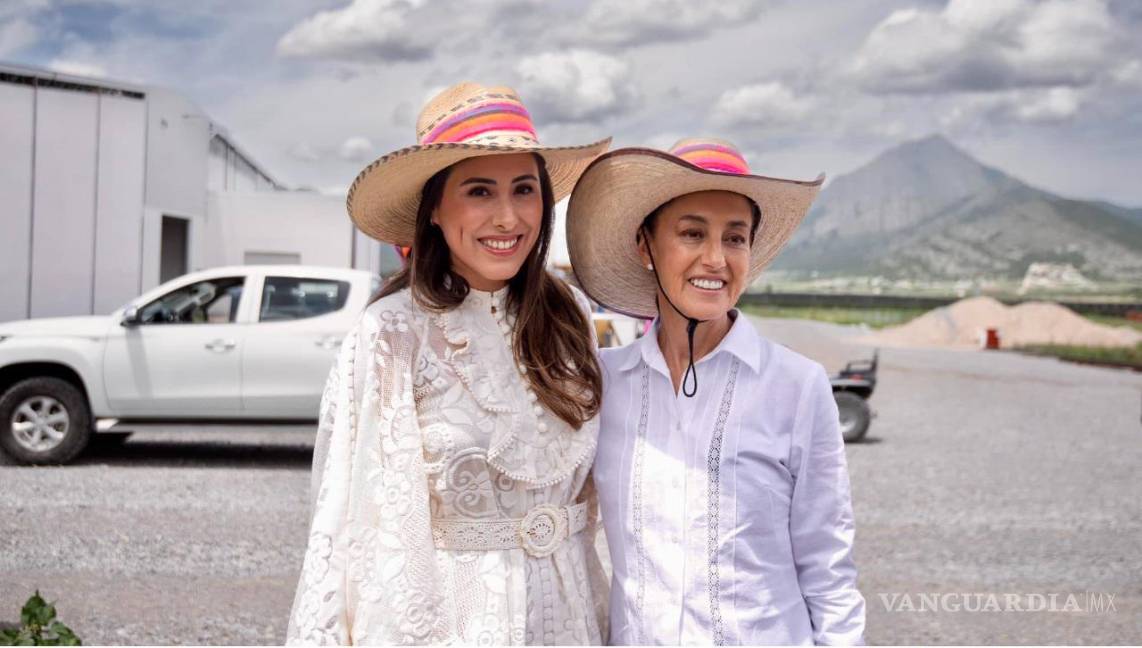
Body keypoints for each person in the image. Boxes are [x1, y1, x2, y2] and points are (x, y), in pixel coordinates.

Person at [285, 82, 612, 645]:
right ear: (434, 208)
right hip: (456, 622)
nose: (507, 217)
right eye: (479, 191)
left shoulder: (571, 315)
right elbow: (365, 519)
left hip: (572, 616)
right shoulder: (392, 332)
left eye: (524, 189)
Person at [566, 138, 866, 645]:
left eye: (735, 238)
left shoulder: (796, 385)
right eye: (692, 233)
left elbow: (828, 564)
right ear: (645, 245)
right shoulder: (604, 384)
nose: (716, 258)